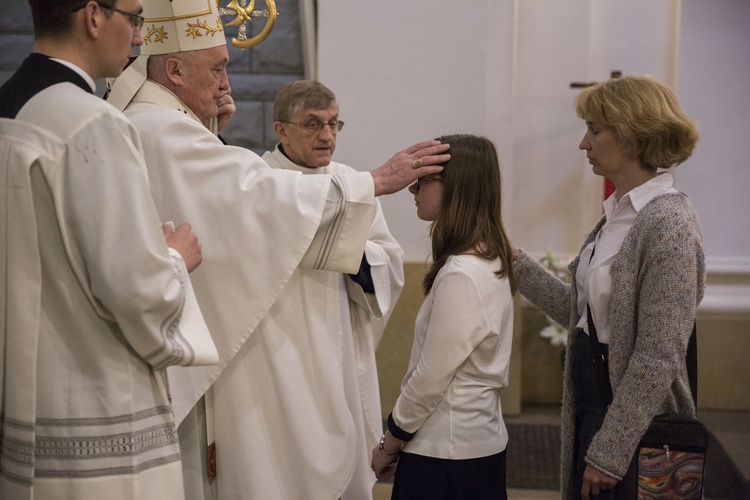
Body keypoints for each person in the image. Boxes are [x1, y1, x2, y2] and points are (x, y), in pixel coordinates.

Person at [106, 1, 449, 498]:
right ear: (175, 70)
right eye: (217, 67)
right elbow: (251, 198)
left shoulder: (162, 121)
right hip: (269, 362)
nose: (227, 82)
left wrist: (209, 131)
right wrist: (375, 181)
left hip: (318, 350)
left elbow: (220, 197)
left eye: (333, 123)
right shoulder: (163, 126)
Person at [0, 0, 216, 498]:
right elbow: (134, 288)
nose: (139, 38)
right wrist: (174, 261)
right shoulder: (91, 123)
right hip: (92, 410)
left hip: (26, 398)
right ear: (94, 16)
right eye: (135, 18)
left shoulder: (11, 104)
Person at [511, 75, 703, 500]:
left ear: (635, 134)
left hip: (632, 419)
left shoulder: (667, 223)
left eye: (595, 130)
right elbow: (578, 313)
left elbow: (658, 354)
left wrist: (611, 452)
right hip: (596, 401)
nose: (584, 144)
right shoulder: (618, 216)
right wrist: (514, 261)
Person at [262, 79, 405, 499]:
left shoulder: (353, 183)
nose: (326, 136)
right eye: (312, 124)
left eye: (333, 124)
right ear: (281, 130)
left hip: (341, 341)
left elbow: (389, 260)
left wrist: (350, 252)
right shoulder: (260, 180)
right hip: (281, 345)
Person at [372, 134, 516, 500]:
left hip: (447, 451)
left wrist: (390, 442)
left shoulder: (463, 273)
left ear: (455, 187)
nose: (412, 189)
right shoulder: (488, 257)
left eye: (423, 179)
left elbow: (430, 379)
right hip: (470, 443)